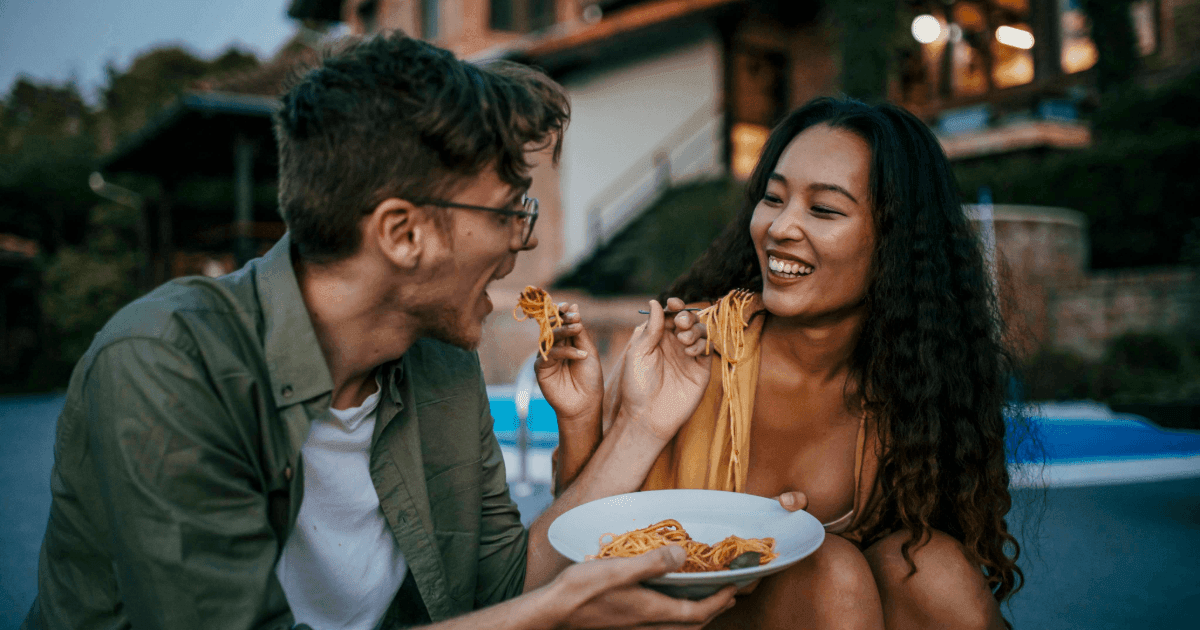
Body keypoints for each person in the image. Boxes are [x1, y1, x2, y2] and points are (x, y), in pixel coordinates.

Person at [22, 33, 734, 630]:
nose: (521, 241)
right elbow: (528, 612)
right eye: (507, 211)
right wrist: (550, 617)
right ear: (403, 232)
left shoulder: (439, 364)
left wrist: (640, 422)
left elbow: (504, 586)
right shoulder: (166, 368)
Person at [600, 97, 1024, 629]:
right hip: (655, 616)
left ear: (896, 244)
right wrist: (580, 419)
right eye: (773, 199)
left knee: (933, 570)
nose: (780, 228)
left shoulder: (909, 389)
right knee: (830, 568)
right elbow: (576, 532)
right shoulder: (686, 349)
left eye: (823, 209)